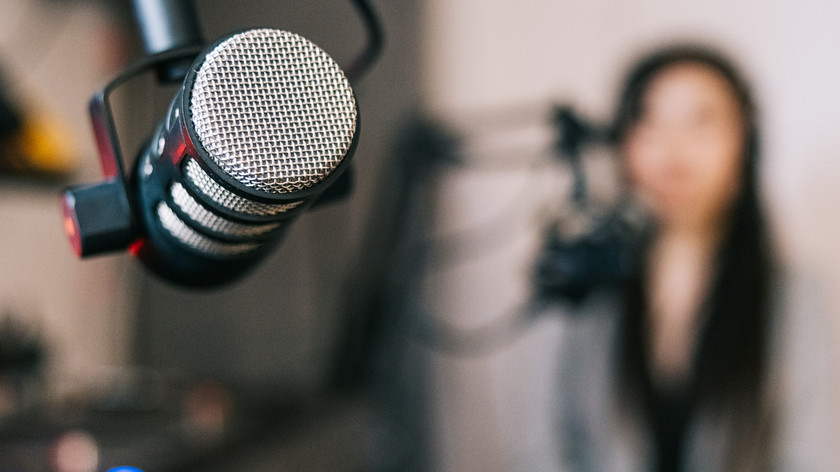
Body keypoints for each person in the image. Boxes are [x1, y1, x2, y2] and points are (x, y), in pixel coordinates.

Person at [553, 45, 840, 471]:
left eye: (701, 122)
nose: (674, 150)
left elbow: (810, 455)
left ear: (744, 143)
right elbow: (545, 448)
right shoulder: (589, 283)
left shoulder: (794, 293)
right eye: (650, 121)